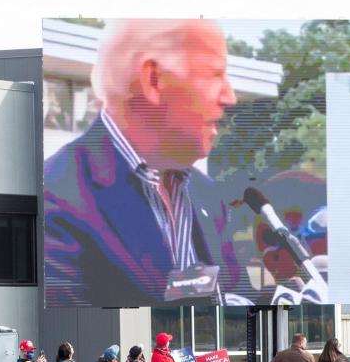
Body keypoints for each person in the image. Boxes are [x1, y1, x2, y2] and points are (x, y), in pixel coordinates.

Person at [45, 19, 248, 307]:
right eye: (215, 75)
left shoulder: (207, 196)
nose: (230, 97)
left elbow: (235, 293)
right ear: (153, 80)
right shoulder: (58, 198)